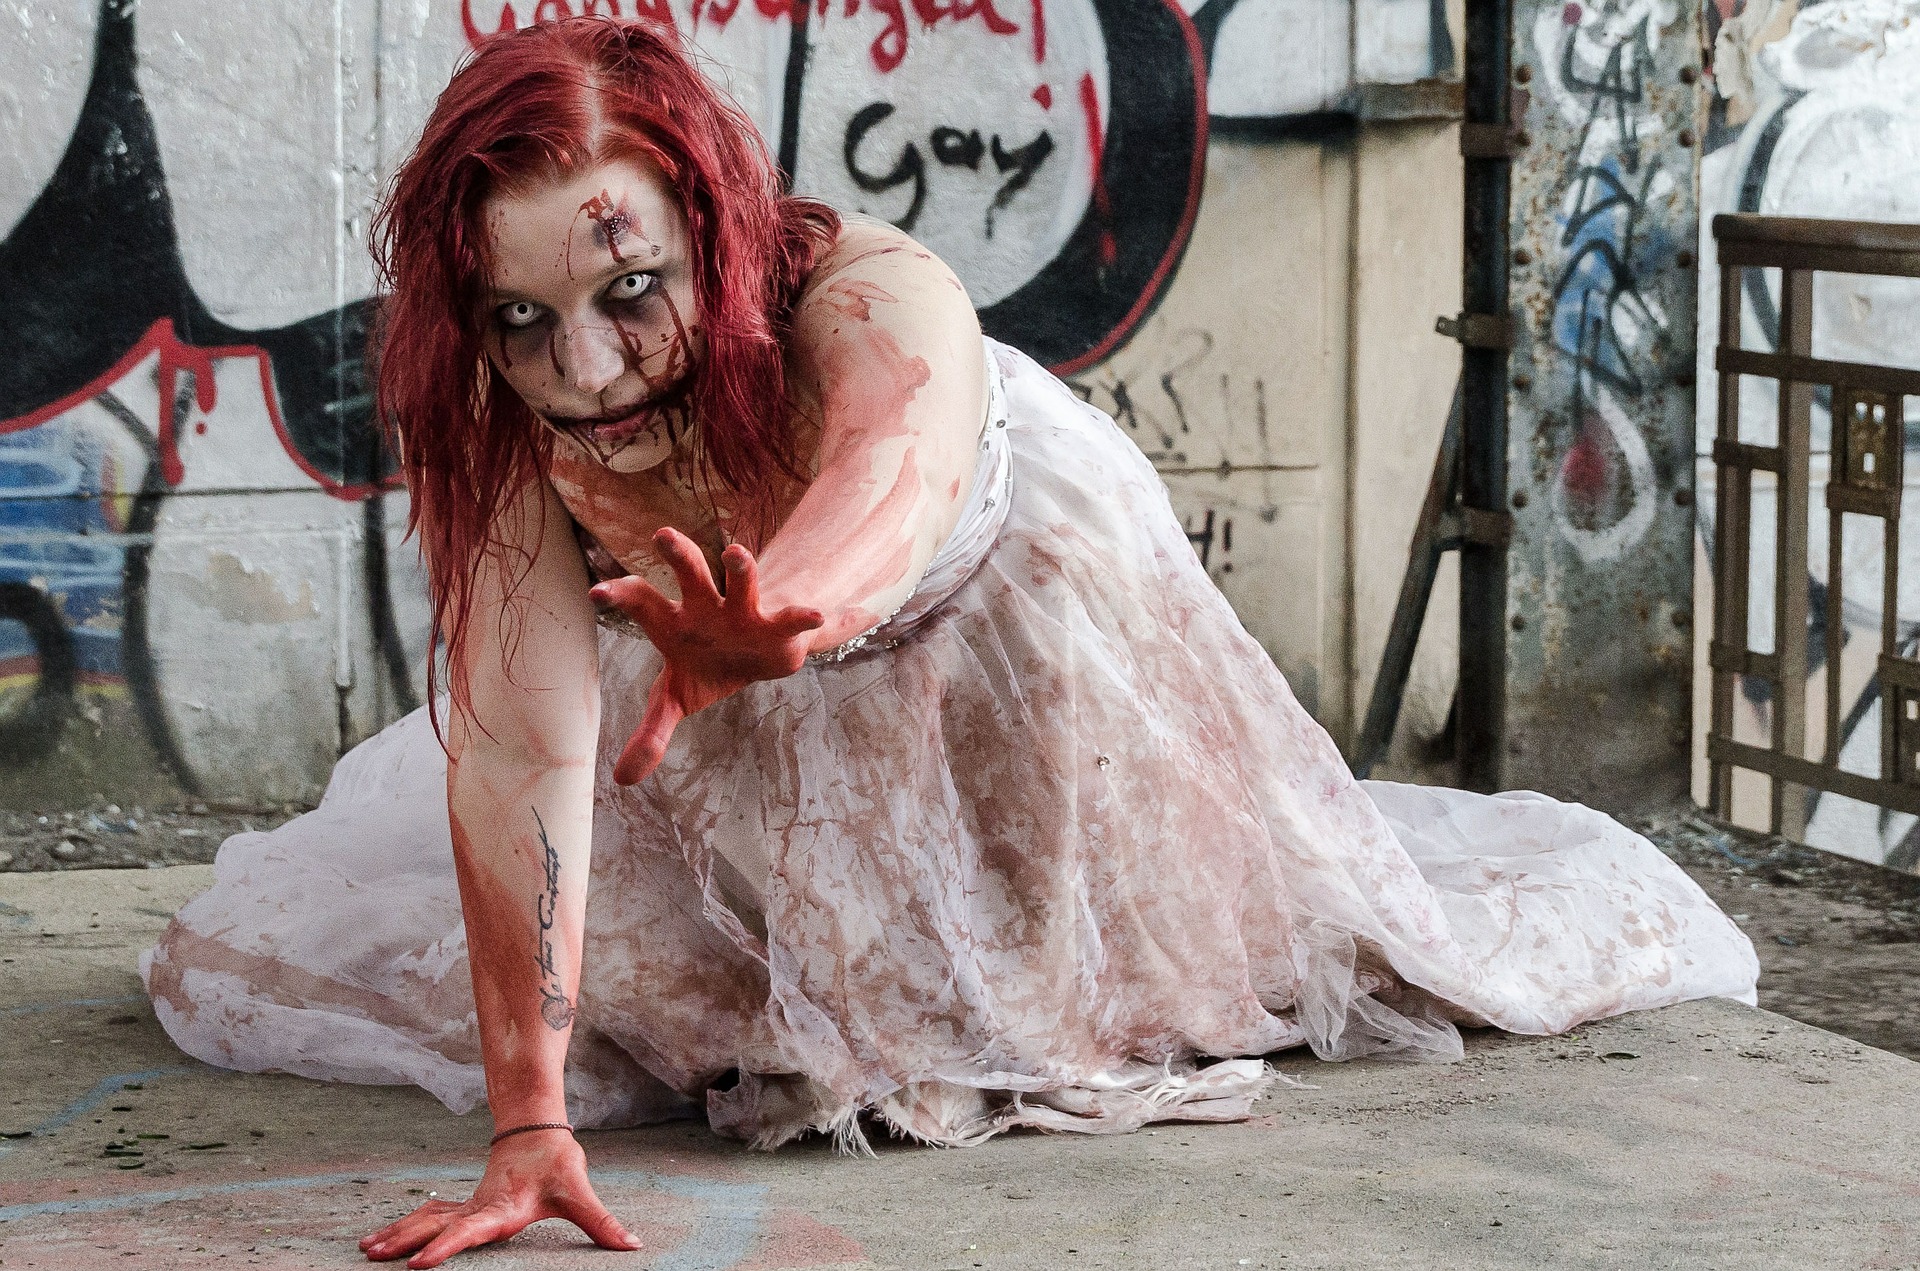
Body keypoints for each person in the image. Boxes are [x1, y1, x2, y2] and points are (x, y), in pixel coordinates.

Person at [140, 15, 1759, 1269]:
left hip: (1010, 619)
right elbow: (515, 747)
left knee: (1104, 994)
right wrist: (528, 1124)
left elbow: (886, 483)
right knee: (721, 1023)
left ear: (713, 228)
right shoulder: (506, 420)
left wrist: (781, 614)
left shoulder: (867, 292)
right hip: (734, 655)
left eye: (632, 289)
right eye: (521, 317)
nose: (587, 368)